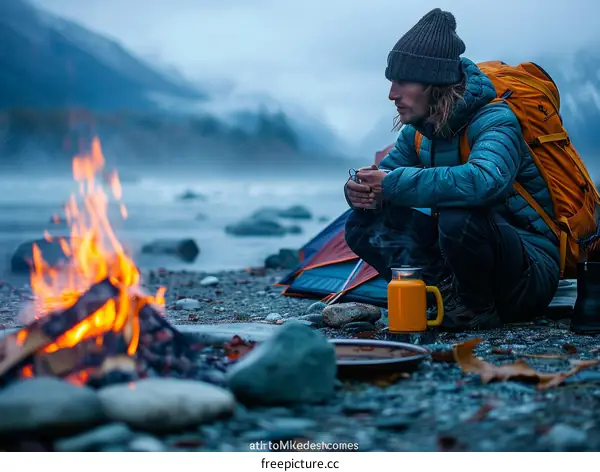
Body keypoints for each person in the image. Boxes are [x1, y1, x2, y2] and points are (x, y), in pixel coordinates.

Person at [344, 8, 560, 330]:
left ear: (435, 82)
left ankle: (476, 308)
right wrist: (362, 192)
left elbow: (486, 181)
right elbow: (387, 181)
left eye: (402, 82)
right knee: (362, 224)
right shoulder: (417, 134)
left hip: (527, 273)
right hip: (465, 263)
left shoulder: (495, 120)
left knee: (459, 211)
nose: (392, 94)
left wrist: (390, 184)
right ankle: (443, 295)